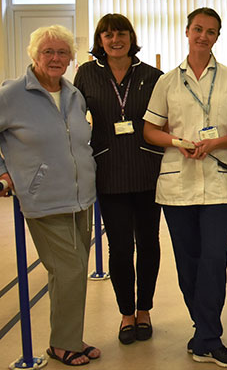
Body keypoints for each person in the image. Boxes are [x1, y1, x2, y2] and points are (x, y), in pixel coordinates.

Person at [142, 7, 227, 368]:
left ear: (218, 37)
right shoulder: (168, 82)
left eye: (211, 32)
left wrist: (216, 143)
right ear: (187, 32)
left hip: (220, 181)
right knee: (188, 263)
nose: (203, 36)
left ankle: (209, 337)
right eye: (198, 30)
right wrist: (177, 141)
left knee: (214, 261)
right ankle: (203, 333)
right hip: (177, 183)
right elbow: (150, 130)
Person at [0, 25, 100, 366]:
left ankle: (69, 337)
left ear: (71, 58)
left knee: (70, 271)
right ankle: (62, 344)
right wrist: (2, 169)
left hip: (82, 196)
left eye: (62, 52)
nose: (55, 58)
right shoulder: (12, 93)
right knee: (70, 270)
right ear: (34, 55)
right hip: (44, 199)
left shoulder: (73, 93)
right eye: (48, 52)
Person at [74, 13, 164, 345]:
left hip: (147, 171)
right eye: (108, 35)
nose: (115, 40)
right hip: (108, 172)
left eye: (121, 33)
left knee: (149, 244)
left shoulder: (152, 76)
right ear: (100, 41)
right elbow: (70, 118)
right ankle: (127, 313)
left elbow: (167, 119)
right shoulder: (86, 74)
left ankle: (145, 310)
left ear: (131, 37)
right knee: (120, 247)